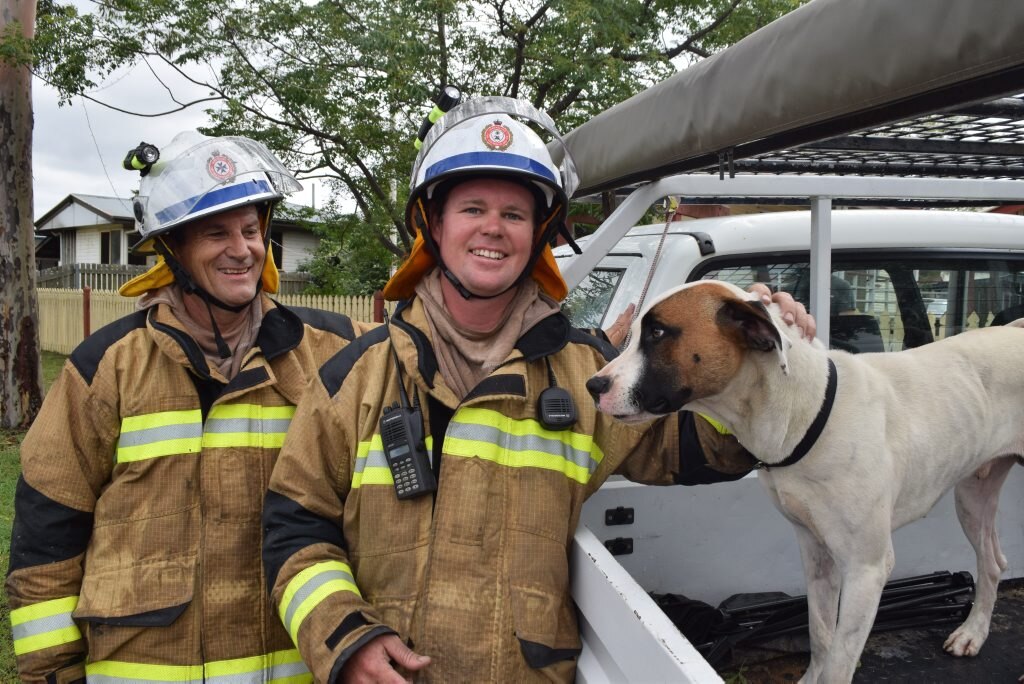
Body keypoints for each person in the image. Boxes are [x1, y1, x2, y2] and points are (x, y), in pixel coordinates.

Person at [261, 97, 814, 682]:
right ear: (433, 225)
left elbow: (715, 448)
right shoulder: (355, 375)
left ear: (540, 234)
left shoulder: (589, 374)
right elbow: (295, 525)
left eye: (515, 214)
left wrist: (762, 360)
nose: (493, 228)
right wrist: (346, 639)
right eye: (472, 207)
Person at [6, 132, 368, 682]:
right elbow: (46, 534)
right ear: (172, 248)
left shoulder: (331, 351)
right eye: (215, 232)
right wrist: (53, 672)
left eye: (251, 230)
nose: (242, 248)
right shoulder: (107, 367)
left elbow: (429, 350)